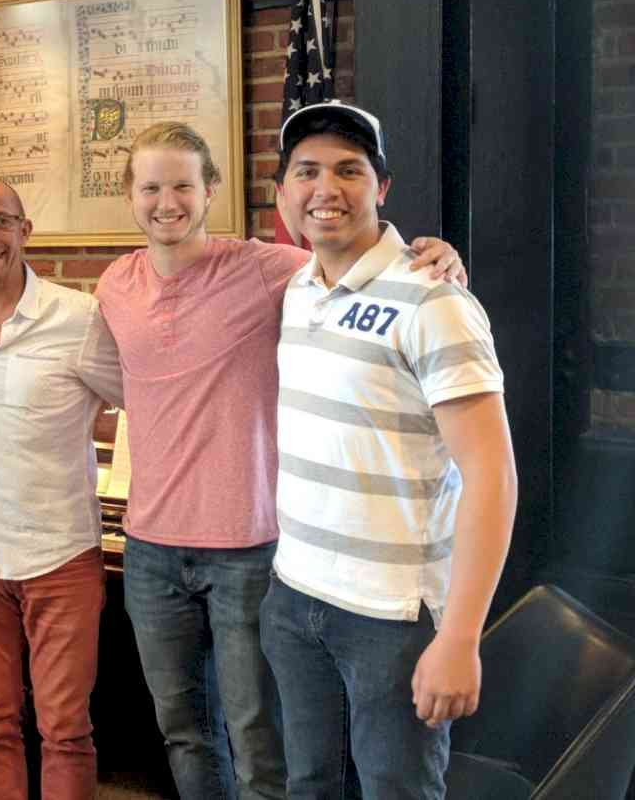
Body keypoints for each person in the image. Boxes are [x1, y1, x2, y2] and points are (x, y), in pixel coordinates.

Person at [89, 122, 464, 800]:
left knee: (259, 735)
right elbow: (112, 381)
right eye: (150, 187)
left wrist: (433, 253)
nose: (166, 202)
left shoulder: (271, 270)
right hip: (148, 548)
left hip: (251, 549)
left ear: (211, 191)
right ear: (129, 195)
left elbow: (353, 251)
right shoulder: (115, 283)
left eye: (182, 185)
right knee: (181, 729)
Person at [261, 101, 516, 799]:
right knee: (309, 786)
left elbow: (491, 474)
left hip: (394, 620)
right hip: (294, 597)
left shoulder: (434, 300)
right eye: (306, 172)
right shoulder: (296, 289)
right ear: (281, 193)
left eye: (349, 170)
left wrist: (460, 637)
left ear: (382, 187)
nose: (326, 189)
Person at [0, 180, 123, 800]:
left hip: (59, 555)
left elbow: (139, 400)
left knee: (64, 728)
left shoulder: (80, 318)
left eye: (1, 222)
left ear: (24, 230)